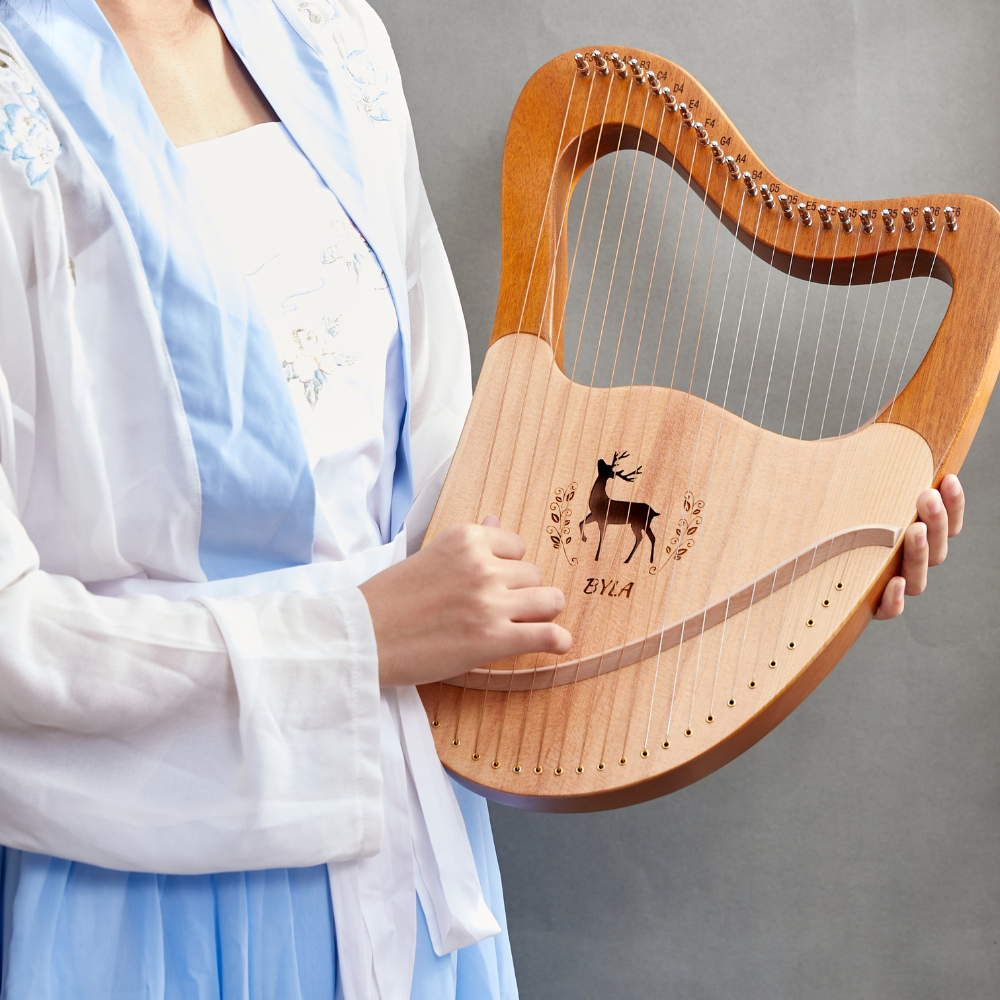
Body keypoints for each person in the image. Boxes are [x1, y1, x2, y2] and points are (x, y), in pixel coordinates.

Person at [0, 1, 965, 998]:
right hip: (147, 888)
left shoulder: (336, 43)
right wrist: (355, 636)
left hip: (409, 859)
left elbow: (470, 513)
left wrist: (812, 555)